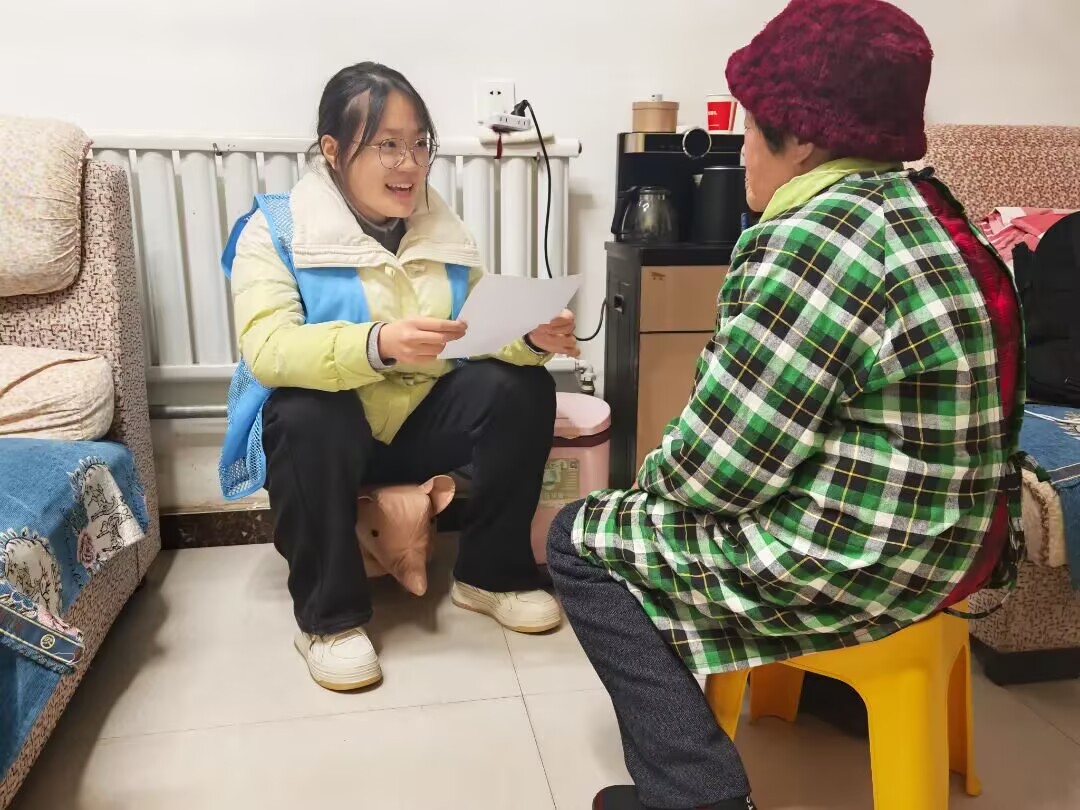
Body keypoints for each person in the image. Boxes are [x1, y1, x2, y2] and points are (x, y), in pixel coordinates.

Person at [547, 1, 1025, 808]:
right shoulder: (932, 211)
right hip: (961, 542)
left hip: (874, 565)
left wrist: (643, 487)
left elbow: (716, 474)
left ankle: (696, 795)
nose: (741, 149)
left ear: (799, 135)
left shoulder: (815, 237)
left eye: (746, 124)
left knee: (581, 540)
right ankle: (833, 695)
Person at [220, 62, 577, 692]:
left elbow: (475, 328)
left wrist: (529, 339)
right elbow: (268, 350)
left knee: (521, 388)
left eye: (419, 144)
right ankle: (328, 621)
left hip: (416, 423)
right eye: (386, 144)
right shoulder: (275, 230)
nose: (408, 164)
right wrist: (377, 344)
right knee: (303, 409)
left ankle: (490, 575)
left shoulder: (442, 229)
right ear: (333, 151)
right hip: (333, 435)